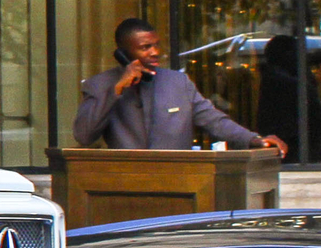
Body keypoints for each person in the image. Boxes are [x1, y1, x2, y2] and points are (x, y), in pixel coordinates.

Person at [74, 18, 285, 154]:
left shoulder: (178, 82)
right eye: (145, 47)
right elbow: (83, 135)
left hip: (176, 179)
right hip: (125, 181)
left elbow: (214, 120)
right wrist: (116, 90)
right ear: (123, 52)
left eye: (156, 45)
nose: (155, 52)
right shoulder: (100, 85)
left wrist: (254, 139)